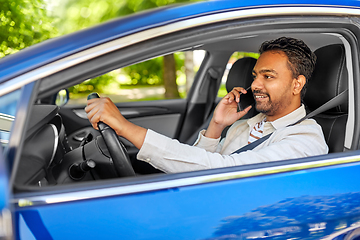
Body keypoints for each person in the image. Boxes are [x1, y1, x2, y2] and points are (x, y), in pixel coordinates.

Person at [85, 37, 328, 173]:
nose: (255, 85)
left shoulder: (304, 139)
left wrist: (126, 128)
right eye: (255, 76)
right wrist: (216, 126)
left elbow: (225, 172)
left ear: (297, 85)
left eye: (268, 76)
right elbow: (201, 166)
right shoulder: (245, 125)